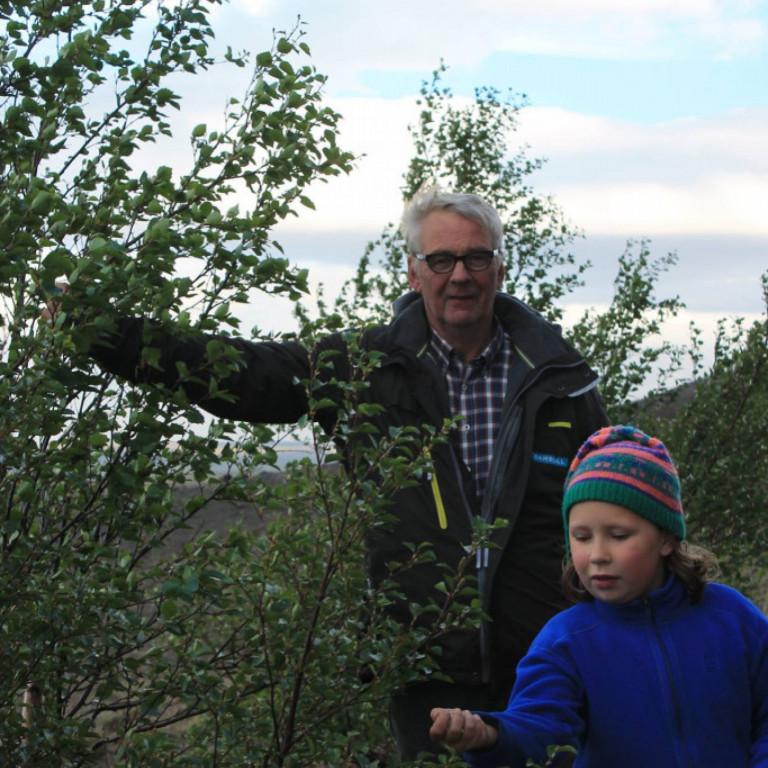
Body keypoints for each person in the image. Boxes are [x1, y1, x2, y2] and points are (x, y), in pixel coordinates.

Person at [77, 187, 608, 762]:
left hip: (545, 663)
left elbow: (615, 511)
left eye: (476, 258)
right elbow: (245, 375)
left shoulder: (560, 379)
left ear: (499, 269)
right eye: (441, 260)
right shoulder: (363, 370)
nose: (460, 275)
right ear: (413, 272)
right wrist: (106, 332)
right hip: (423, 669)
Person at [429, 425, 768, 768]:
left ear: (666, 539)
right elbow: (538, 728)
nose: (597, 554)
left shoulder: (732, 617)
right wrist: (489, 735)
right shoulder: (565, 642)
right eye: (581, 537)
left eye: (618, 535)